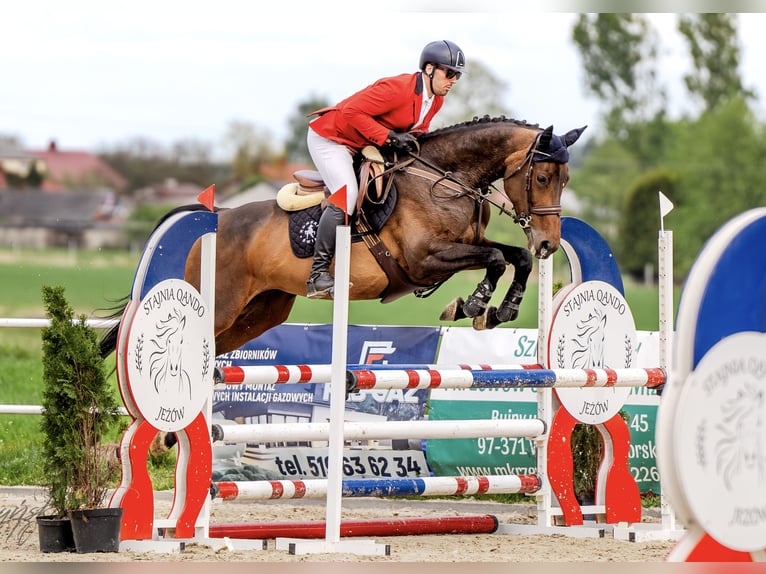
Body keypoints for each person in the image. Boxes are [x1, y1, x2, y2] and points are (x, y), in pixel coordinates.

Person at [304, 40, 466, 299]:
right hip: (333, 139)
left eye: (456, 75)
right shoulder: (398, 89)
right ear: (429, 68)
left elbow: (417, 133)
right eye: (450, 73)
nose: (453, 80)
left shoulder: (435, 101)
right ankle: (317, 275)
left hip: (364, 144)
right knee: (345, 195)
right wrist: (389, 137)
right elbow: (350, 113)